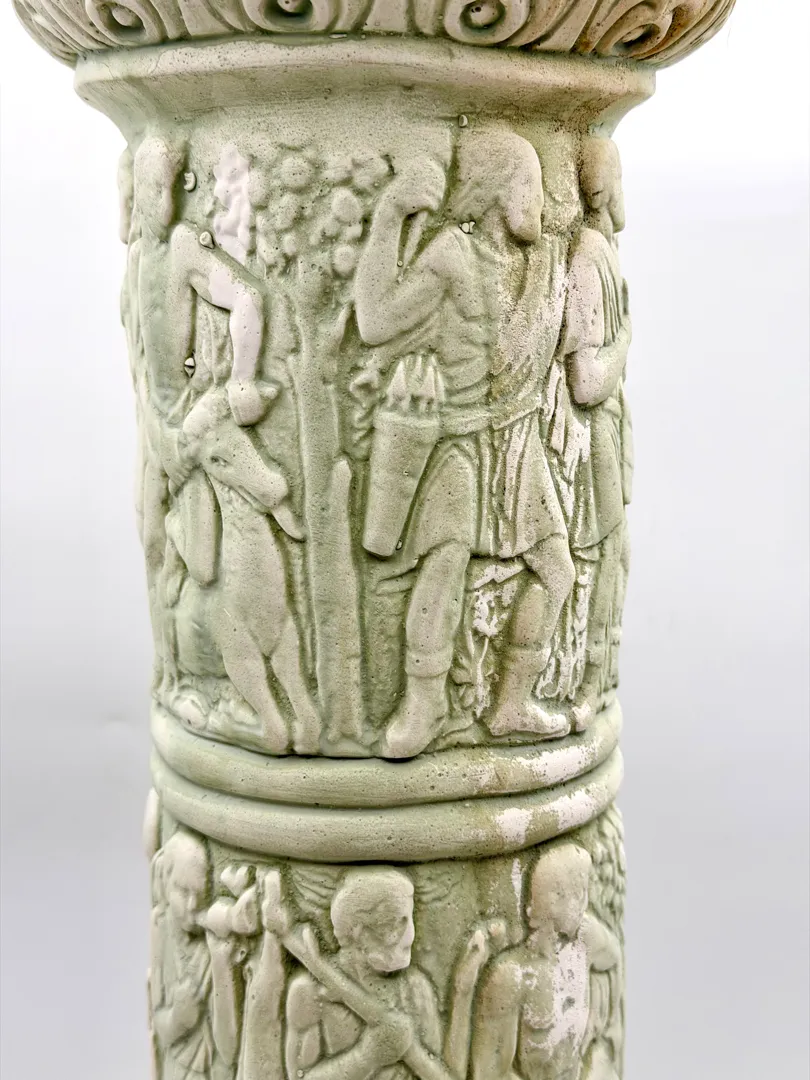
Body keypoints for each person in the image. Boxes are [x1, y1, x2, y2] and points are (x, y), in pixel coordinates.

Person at [353, 132, 574, 758]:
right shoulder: (452, 252)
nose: (538, 201)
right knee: (443, 566)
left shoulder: (543, 263)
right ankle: (421, 705)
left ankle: (510, 703)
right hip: (463, 439)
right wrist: (390, 215)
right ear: (499, 188)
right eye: (530, 184)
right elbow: (375, 320)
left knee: (557, 570)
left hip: (520, 439)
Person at [131, 135, 269, 697]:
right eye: (148, 189)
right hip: (156, 424)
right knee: (151, 537)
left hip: (188, 424)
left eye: (166, 189)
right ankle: (172, 674)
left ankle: (212, 668)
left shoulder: (184, 247)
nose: (159, 204)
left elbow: (248, 300)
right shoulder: (138, 257)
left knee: (204, 563)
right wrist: (150, 423)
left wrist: (242, 378)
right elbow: (138, 349)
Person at [284, 867, 491, 1079]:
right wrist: (364, 1058)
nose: (409, 936)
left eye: (409, 920)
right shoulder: (308, 992)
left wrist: (463, 992)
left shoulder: (415, 988)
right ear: (359, 932)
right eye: (395, 924)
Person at [560, 137, 633, 730]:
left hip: (610, 431)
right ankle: (583, 682)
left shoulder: (602, 251)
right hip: (595, 438)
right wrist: (625, 342)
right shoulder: (585, 260)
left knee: (614, 556)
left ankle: (593, 678)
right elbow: (585, 381)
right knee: (601, 555)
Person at [471, 844, 622, 1080]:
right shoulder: (512, 976)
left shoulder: (585, 942)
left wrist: (597, 1012)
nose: (584, 899)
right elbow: (488, 1073)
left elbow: (613, 957)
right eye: (579, 891)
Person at [149, 830, 242, 1080]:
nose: (192, 905)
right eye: (183, 891)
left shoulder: (212, 944)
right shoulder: (160, 927)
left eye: (200, 894)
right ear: (165, 882)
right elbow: (156, 1017)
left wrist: (221, 962)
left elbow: (229, 1049)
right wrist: (177, 1020)